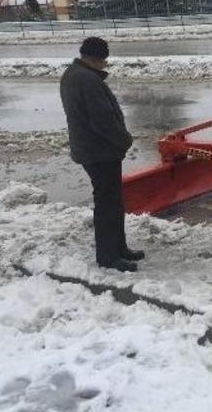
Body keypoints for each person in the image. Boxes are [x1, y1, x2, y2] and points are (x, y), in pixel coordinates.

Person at [60, 37, 144, 272]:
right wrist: (125, 140)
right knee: (108, 204)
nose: (105, 63)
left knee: (112, 201)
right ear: (97, 58)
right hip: (99, 151)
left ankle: (119, 248)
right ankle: (108, 256)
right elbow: (102, 121)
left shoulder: (72, 75)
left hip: (92, 149)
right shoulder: (87, 80)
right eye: (104, 59)